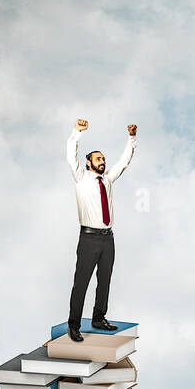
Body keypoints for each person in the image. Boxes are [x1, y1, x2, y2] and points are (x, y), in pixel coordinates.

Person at [65, 118, 137, 341]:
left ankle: (98, 318)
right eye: (98, 159)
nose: (103, 162)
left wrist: (132, 138)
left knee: (104, 279)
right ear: (88, 163)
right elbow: (70, 154)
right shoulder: (81, 177)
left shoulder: (107, 180)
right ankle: (74, 325)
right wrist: (77, 132)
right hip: (88, 239)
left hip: (108, 239)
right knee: (82, 283)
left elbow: (123, 162)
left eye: (104, 159)